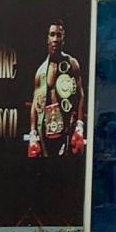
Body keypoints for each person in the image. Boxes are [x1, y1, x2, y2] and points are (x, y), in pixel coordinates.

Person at [27, 21, 85, 158]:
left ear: (63, 38)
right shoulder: (40, 72)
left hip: (67, 127)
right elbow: (35, 104)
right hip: (46, 130)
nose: (55, 39)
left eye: (59, 35)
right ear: (47, 38)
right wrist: (33, 134)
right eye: (52, 35)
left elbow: (80, 95)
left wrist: (79, 126)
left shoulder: (71, 64)